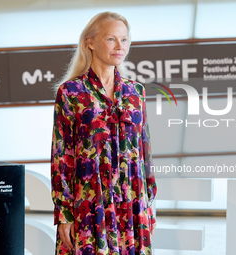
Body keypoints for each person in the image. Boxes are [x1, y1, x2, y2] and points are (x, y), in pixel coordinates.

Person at [51, 11, 157, 255]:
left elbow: (145, 152)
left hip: (132, 204)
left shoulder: (135, 92)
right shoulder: (71, 92)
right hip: (89, 204)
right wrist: (64, 213)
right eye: (111, 39)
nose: (120, 46)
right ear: (90, 42)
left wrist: (149, 204)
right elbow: (61, 156)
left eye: (125, 39)